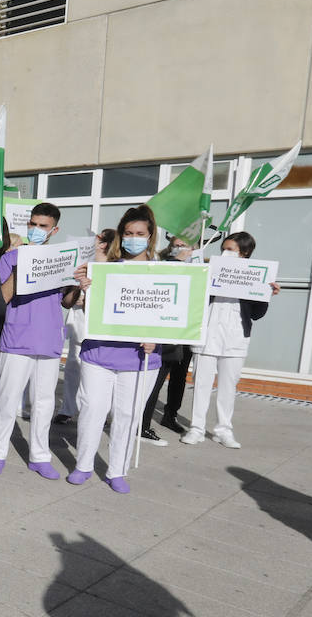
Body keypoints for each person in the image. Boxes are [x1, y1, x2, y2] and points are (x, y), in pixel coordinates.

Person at [67, 205, 162, 494]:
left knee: (128, 415)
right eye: (129, 233)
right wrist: (84, 288)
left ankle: (117, 470)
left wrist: (159, 339)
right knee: (92, 409)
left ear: (150, 236)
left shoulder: (165, 271)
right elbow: (75, 303)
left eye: (140, 233)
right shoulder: (104, 270)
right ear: (121, 235)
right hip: (99, 354)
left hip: (140, 358)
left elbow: (177, 315)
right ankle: (83, 465)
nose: (134, 237)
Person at [0, 203, 75, 481]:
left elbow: (67, 301)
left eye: (42, 226)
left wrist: (77, 283)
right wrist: (20, 268)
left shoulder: (61, 258)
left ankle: (39, 456)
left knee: (44, 401)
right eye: (33, 224)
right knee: (8, 398)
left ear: (54, 230)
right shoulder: (12, 258)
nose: (36, 230)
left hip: (49, 338)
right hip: (17, 337)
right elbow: (4, 298)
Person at [182, 232, 278, 449]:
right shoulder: (211, 271)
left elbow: (256, 314)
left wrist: (267, 294)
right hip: (207, 334)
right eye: (223, 248)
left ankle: (223, 430)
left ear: (244, 253)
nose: (225, 253)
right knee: (201, 385)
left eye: (231, 249)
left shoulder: (254, 277)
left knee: (228, 386)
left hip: (235, 336)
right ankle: (196, 428)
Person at [55, 229, 115, 426]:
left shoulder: (114, 268)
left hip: (101, 326)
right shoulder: (83, 264)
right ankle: (68, 409)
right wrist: (77, 293)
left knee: (101, 372)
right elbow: (69, 292)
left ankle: (102, 412)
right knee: (73, 367)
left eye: (100, 240)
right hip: (79, 322)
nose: (96, 243)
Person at [139, 234, 195, 443]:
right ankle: (142, 426)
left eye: (184, 246)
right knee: (154, 383)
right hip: (164, 336)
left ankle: (170, 415)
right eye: (175, 245)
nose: (179, 249)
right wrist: (177, 260)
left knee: (179, 379)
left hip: (186, 335)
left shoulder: (199, 269)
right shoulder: (162, 264)